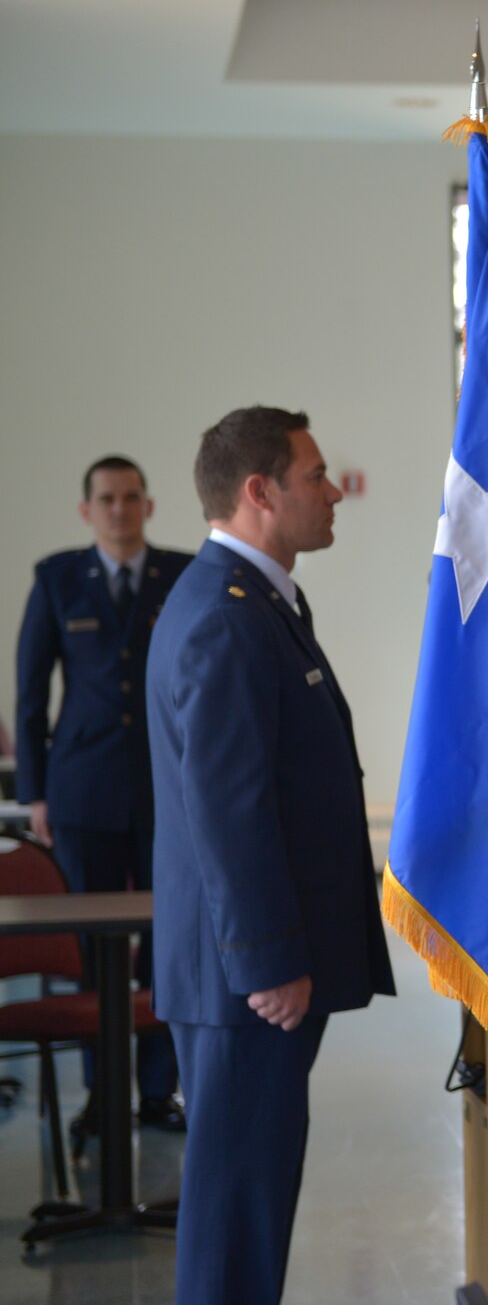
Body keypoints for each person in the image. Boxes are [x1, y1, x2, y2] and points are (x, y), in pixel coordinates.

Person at [149, 407, 395, 1305]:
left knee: (251, 1200)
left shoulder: (255, 602)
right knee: (234, 1211)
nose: (333, 492)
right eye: (315, 475)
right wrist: (269, 960)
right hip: (243, 978)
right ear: (261, 491)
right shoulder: (225, 615)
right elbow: (228, 806)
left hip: (248, 972)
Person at [14, 455, 194, 1135]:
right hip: (81, 789)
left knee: (164, 938)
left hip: (163, 788)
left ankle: (155, 1089)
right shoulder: (58, 578)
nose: (119, 509)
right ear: (87, 510)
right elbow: (31, 696)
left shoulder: (179, 574)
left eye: (130, 497)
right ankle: (98, 1094)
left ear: (148, 505)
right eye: (106, 498)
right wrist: (34, 793)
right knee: (88, 946)